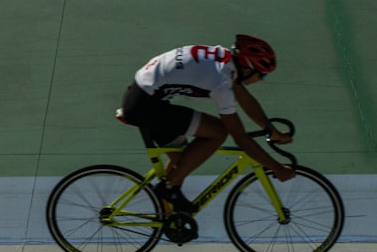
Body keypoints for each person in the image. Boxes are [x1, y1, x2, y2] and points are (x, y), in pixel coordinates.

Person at [118, 34, 296, 213]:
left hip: (142, 96)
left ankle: (168, 216)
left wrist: (270, 130)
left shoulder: (225, 59)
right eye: (262, 75)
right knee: (218, 131)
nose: (261, 80)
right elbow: (240, 138)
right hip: (146, 106)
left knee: (183, 159)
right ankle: (168, 188)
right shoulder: (222, 83)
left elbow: (246, 100)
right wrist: (276, 167)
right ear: (248, 69)